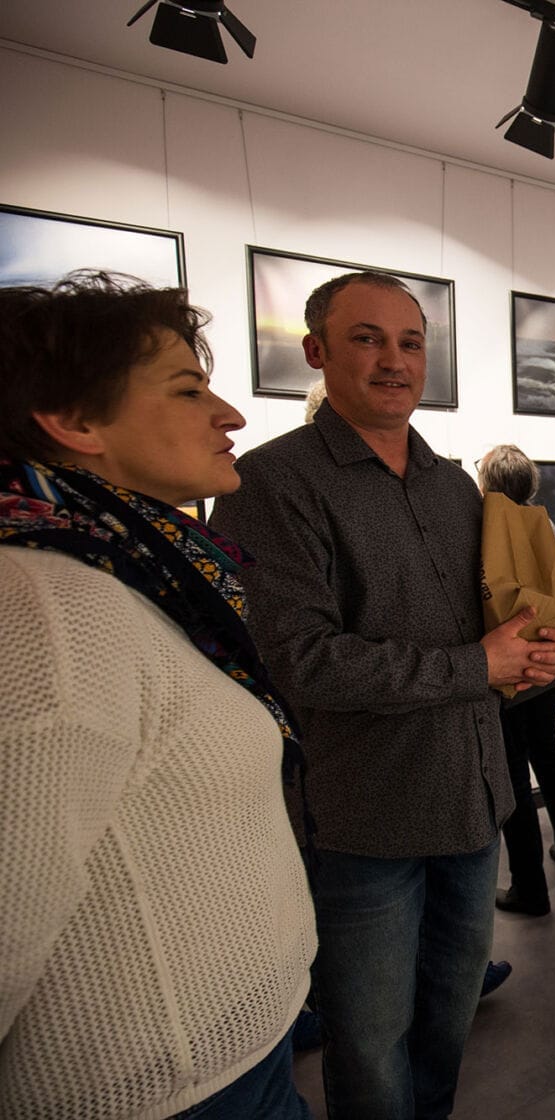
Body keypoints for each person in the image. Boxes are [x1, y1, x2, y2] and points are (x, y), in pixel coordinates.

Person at [211, 271, 555, 1118]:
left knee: (448, 1023)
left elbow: (479, 635)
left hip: (473, 806)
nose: (394, 360)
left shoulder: (451, 485)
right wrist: (478, 666)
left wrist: (526, 663)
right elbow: (299, 661)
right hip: (365, 822)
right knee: (372, 1046)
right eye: (367, 338)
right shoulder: (272, 483)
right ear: (316, 351)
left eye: (410, 342)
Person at [0, 272, 314, 1118]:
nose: (230, 415)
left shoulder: (133, 569)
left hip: (223, 1064)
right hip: (156, 1089)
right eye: (187, 390)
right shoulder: (46, 606)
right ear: (73, 421)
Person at [477, 443, 555, 915]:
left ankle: (529, 888)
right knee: (548, 753)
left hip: (508, 672)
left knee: (512, 775)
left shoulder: (485, 527)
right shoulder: (543, 525)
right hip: (548, 665)